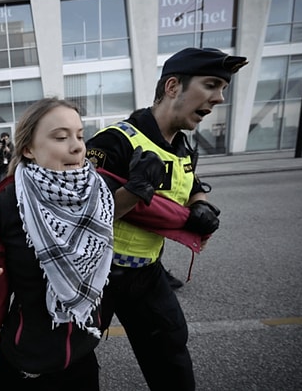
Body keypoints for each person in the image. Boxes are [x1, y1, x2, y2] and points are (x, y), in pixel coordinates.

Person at [85, 47, 247, 390]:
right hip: (96, 276)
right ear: (173, 86)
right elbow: (82, 216)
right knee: (72, 360)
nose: (218, 98)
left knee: (171, 354)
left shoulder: (185, 146)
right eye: (212, 85)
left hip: (147, 272)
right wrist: (135, 188)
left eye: (223, 89)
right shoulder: (114, 142)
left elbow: (191, 184)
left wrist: (201, 204)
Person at [0, 98, 115, 390]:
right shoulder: (8, 202)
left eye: (80, 135)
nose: (77, 146)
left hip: (83, 351)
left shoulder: (100, 191)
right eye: (61, 137)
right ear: (28, 149)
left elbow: (153, 209)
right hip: (26, 359)